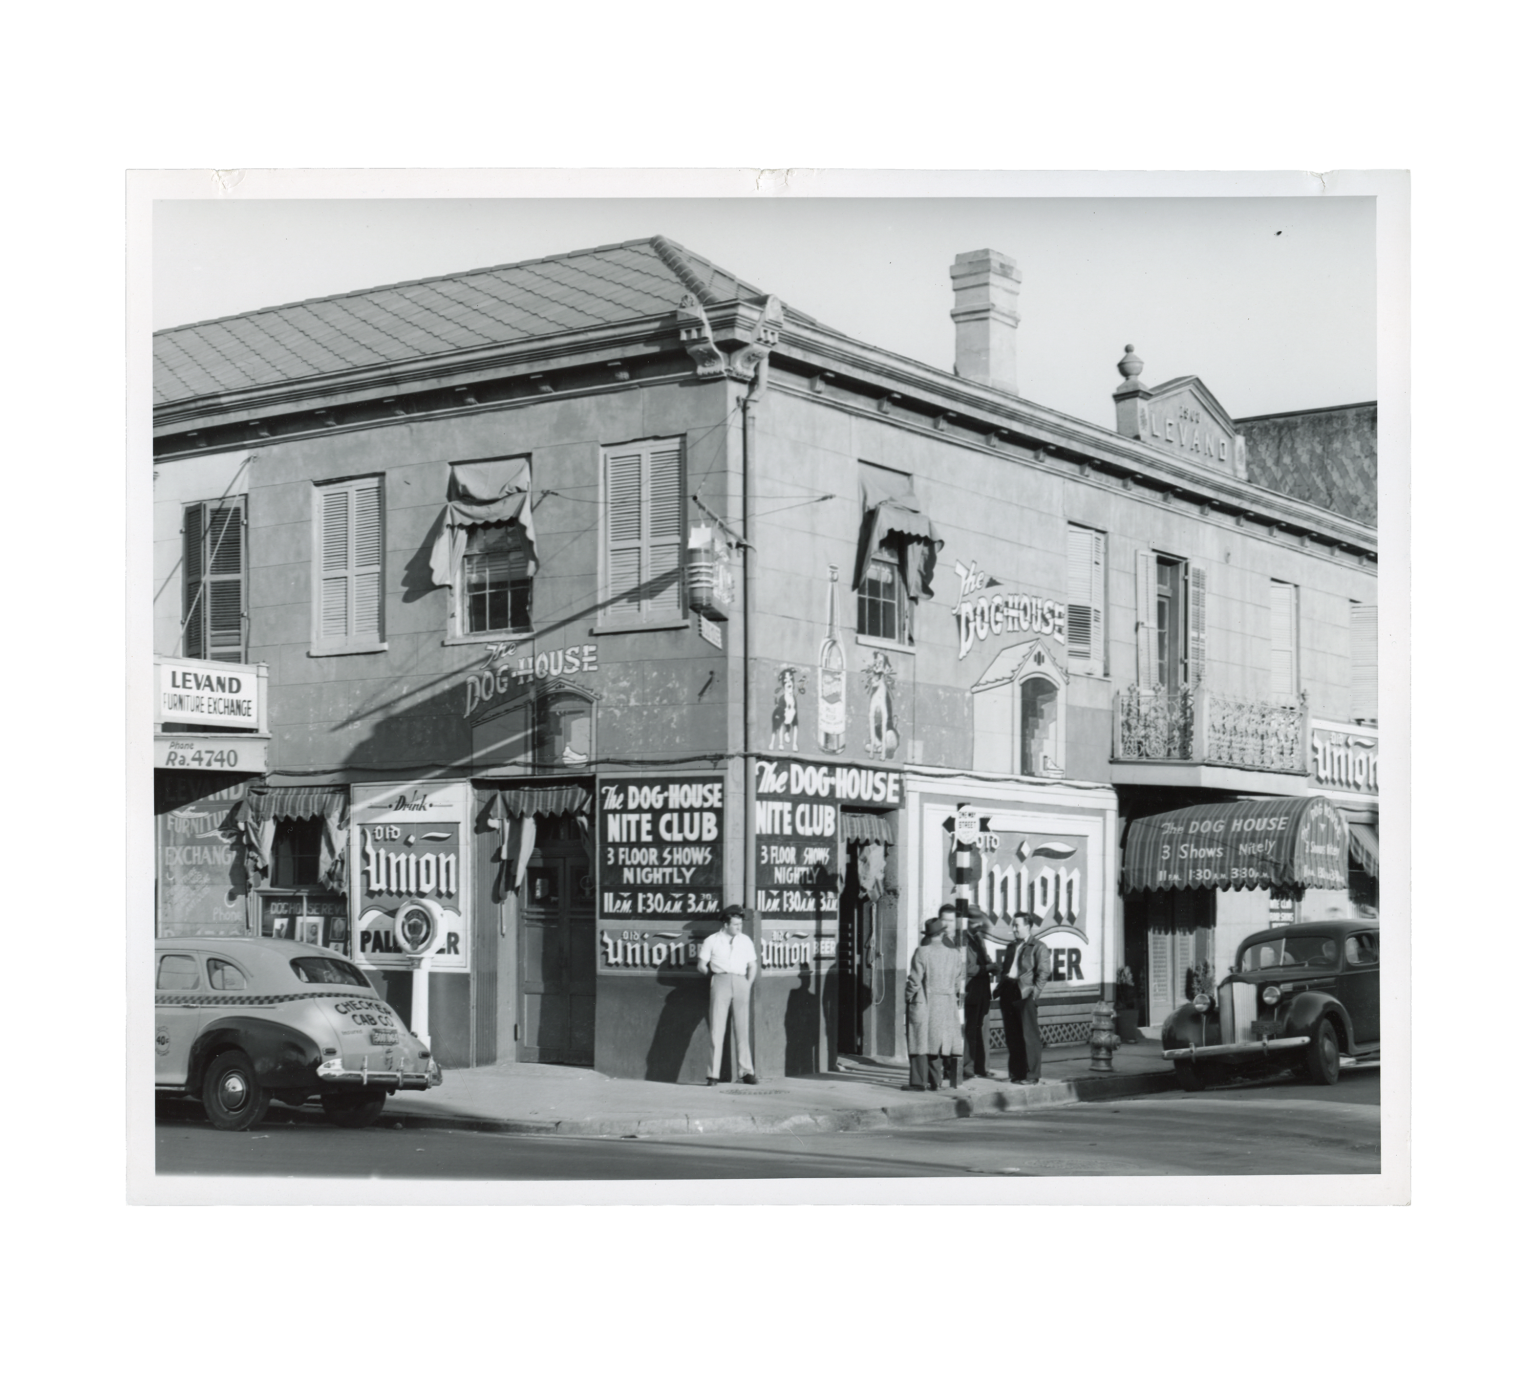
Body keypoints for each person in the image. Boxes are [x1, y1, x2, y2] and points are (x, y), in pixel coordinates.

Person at [697, 904, 758, 1085]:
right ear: (725, 924)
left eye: (740, 924)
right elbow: (701, 965)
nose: (739, 928)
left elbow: (753, 965)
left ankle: (746, 1072)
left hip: (741, 982)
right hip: (720, 980)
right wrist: (714, 977)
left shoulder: (745, 940)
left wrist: (748, 984)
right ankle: (713, 1075)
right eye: (735, 925)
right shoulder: (712, 940)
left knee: (742, 1028)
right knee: (717, 1028)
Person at [905, 914, 964, 1090]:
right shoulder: (954, 954)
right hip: (946, 1004)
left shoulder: (922, 952)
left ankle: (918, 1083)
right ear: (942, 934)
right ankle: (936, 1082)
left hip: (925, 1003)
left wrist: (908, 997)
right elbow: (957, 982)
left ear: (928, 935)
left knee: (920, 1041)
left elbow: (915, 981)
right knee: (938, 1042)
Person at [996, 911, 1052, 1084]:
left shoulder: (1038, 947)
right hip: (1009, 992)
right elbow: (1007, 970)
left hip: (1025, 994)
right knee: (1013, 1037)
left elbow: (1044, 973)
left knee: (1029, 1037)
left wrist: (1034, 995)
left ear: (1027, 926)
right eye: (1013, 925)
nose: (1013, 929)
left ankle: (1031, 1075)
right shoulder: (1012, 946)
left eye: (1016, 925)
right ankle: (1016, 1073)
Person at [962, 910, 1004, 1080]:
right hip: (970, 993)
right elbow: (966, 969)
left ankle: (982, 1067)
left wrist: (993, 966)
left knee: (983, 1032)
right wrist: (987, 968)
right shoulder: (962, 940)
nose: (979, 926)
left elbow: (985, 960)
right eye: (976, 922)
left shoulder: (978, 939)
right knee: (970, 1032)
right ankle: (967, 1068)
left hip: (983, 992)